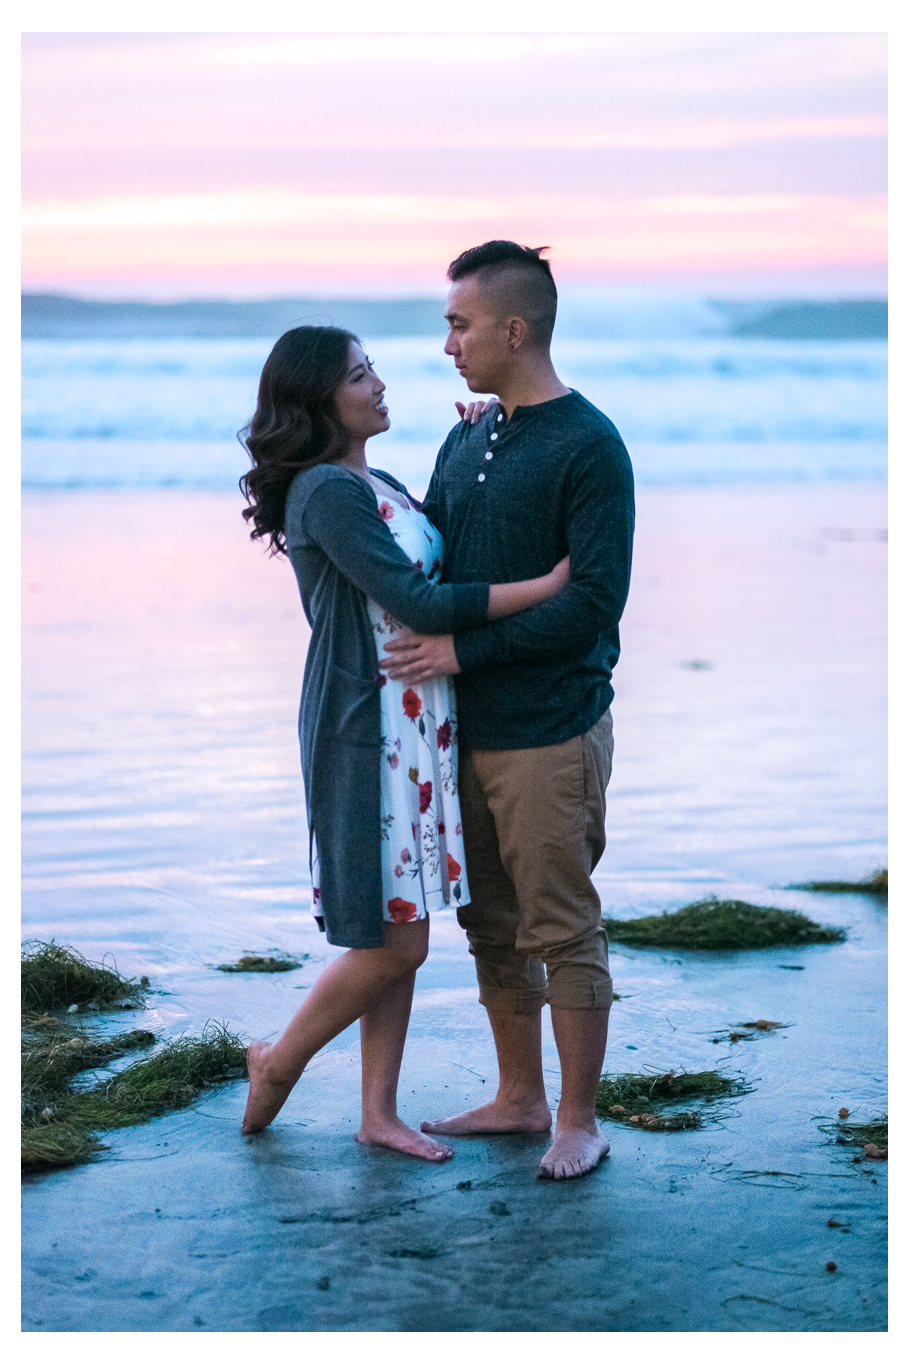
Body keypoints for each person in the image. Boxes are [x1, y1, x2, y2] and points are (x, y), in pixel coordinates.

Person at [237, 325, 570, 1160]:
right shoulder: (324, 492)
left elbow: (438, 539)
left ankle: (377, 1113)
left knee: (399, 926)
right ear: (321, 399)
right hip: (365, 731)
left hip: (417, 731)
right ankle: (279, 1060)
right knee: (395, 940)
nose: (379, 384)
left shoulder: (372, 480)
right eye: (359, 375)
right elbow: (414, 599)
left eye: (373, 368)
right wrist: (550, 585)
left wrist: (475, 434)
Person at [381, 241, 635, 1180]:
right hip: (462, 730)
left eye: (460, 323)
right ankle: (520, 1096)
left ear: (513, 329)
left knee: (559, 922)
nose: (447, 341)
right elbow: (437, 558)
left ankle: (578, 1116)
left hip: (550, 727)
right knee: (489, 921)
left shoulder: (590, 445)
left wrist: (462, 649)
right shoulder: (467, 435)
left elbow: (592, 601)